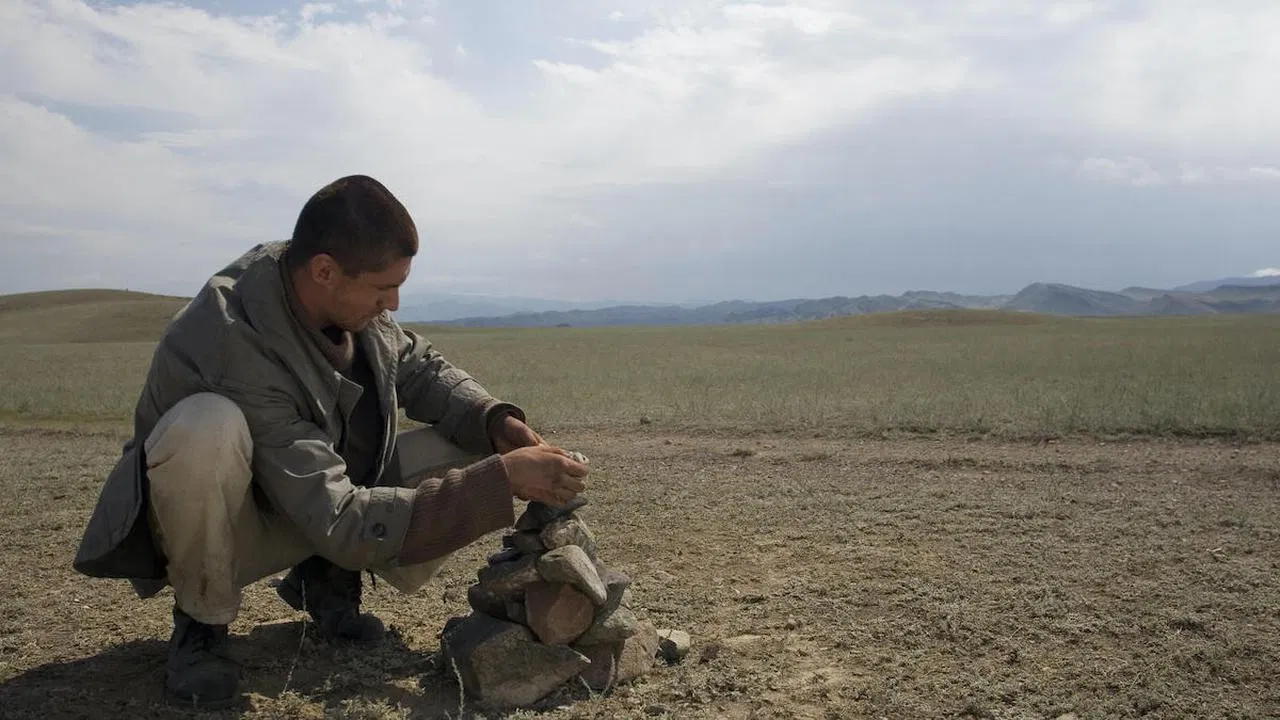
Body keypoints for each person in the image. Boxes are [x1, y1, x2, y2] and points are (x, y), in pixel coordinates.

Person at [71, 175, 589, 709]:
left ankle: (325, 578)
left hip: (308, 501)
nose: (394, 302)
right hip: (232, 523)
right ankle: (201, 621)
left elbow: (419, 368)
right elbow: (337, 514)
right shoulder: (230, 341)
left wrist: (497, 423)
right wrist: (503, 482)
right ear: (324, 271)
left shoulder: (343, 299)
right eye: (384, 287)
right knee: (207, 427)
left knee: (481, 440)